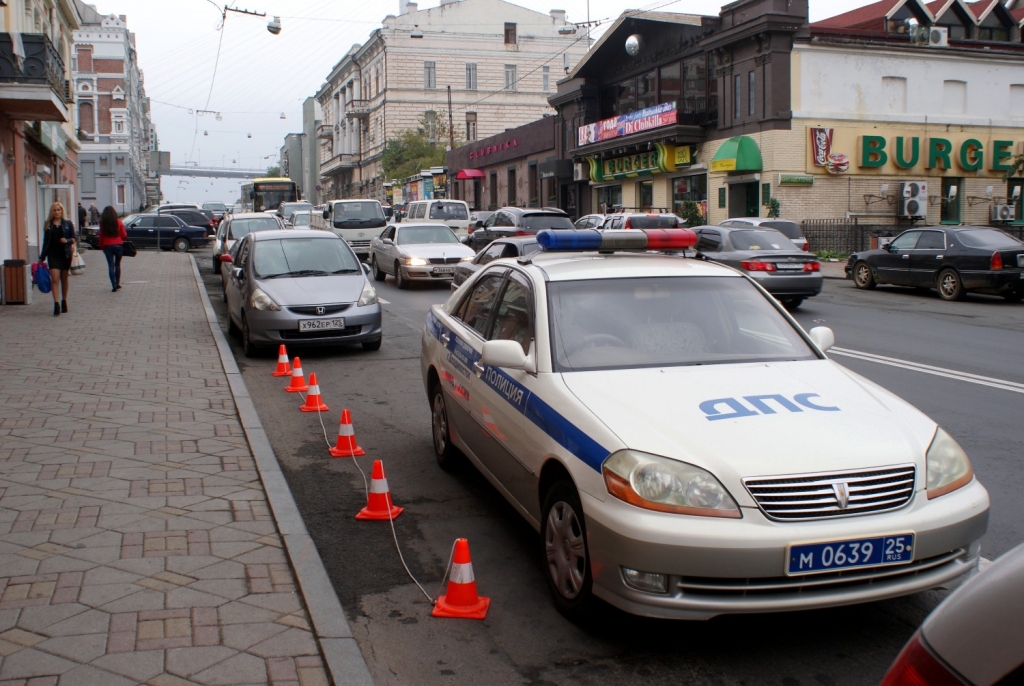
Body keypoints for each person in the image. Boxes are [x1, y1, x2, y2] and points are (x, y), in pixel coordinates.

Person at [37, 201, 76, 316]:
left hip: (65, 254)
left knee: (64, 278)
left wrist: (67, 241)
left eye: (58, 210)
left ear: (61, 211)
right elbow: (45, 242)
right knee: (54, 278)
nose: (57, 212)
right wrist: (42, 256)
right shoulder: (48, 224)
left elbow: (74, 238)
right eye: (55, 210)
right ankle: (56, 304)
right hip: (53, 255)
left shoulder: (68, 224)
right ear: (52, 212)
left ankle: (64, 300)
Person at [98, 206, 126, 292]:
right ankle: (117, 283)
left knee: (111, 265)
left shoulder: (103, 224)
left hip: (107, 246)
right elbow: (124, 235)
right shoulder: (119, 222)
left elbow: (100, 236)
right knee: (117, 264)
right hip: (118, 245)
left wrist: (102, 246)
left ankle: (113, 285)